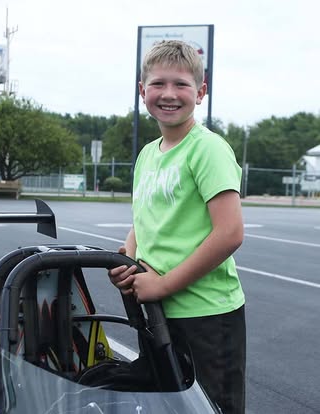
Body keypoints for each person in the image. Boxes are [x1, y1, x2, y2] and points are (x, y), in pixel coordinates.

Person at [108, 40, 246, 414]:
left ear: (200, 92)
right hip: (157, 313)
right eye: (158, 83)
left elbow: (230, 232)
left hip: (205, 315)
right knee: (163, 405)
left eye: (181, 84)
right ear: (143, 91)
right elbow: (143, 219)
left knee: (208, 408)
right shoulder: (147, 154)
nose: (169, 94)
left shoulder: (208, 149)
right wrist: (129, 260)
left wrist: (164, 284)